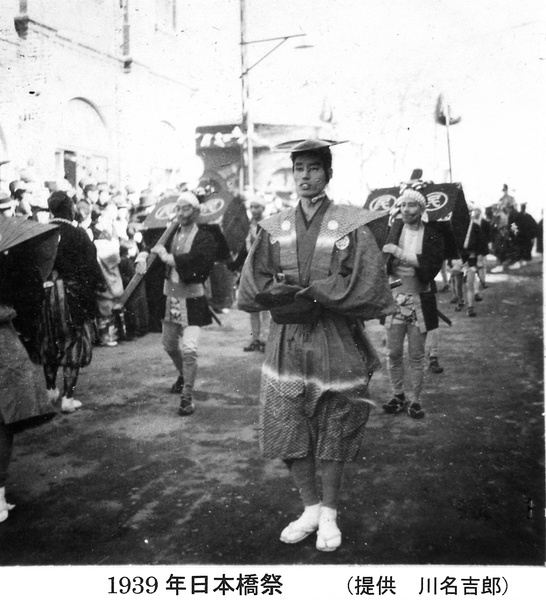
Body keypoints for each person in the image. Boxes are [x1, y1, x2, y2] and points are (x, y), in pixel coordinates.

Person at [238, 139, 396, 552]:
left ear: (328, 173)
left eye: (313, 168)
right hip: (287, 337)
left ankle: (329, 513)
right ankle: (308, 507)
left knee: (334, 424)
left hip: (334, 336)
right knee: (288, 420)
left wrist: (315, 292)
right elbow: (252, 283)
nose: (305, 176)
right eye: (298, 169)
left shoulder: (349, 224)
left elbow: (367, 282)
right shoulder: (274, 226)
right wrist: (280, 291)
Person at [140, 191, 217, 416]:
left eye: (186, 209)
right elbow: (149, 249)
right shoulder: (168, 233)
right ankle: (183, 375)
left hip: (192, 300)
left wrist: (167, 258)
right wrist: (141, 258)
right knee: (169, 345)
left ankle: (187, 397)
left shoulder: (204, 237)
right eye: (179, 208)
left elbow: (199, 265)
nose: (181, 213)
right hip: (170, 298)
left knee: (190, 350)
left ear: (195, 211)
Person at [34, 192, 105, 412]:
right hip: (71, 298)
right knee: (73, 344)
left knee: (49, 342)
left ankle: (50, 391)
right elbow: (92, 269)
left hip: (45, 297)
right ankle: (67, 398)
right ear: (70, 207)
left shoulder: (40, 234)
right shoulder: (78, 234)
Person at [382, 183, 445, 419]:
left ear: (421, 208)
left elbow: (430, 265)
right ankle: (398, 395)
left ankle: (415, 400)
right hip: (395, 300)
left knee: (417, 355)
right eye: (403, 204)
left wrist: (399, 254)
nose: (406, 209)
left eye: (411, 205)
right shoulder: (393, 230)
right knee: (394, 352)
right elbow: (383, 262)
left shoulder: (432, 234)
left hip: (420, 299)